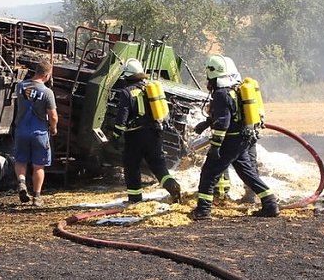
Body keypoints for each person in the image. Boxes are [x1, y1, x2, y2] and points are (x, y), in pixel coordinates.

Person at [191, 54, 279, 220]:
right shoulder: (236, 89)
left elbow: (223, 122)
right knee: (247, 172)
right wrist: (207, 123)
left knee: (209, 173)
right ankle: (270, 203)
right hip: (242, 139)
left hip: (230, 141)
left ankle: (203, 211)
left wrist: (216, 146)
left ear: (213, 73)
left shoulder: (221, 94)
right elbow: (230, 114)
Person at [112, 58, 182, 204]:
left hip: (135, 136)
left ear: (127, 76)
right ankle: (171, 185)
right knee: (158, 166)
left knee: (132, 166)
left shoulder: (126, 92)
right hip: (155, 134)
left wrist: (115, 135)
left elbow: (122, 117)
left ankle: (135, 199)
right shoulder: (149, 90)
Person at [13, 59, 58, 206]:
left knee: (21, 161)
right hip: (39, 133)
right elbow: (53, 116)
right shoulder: (47, 92)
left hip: (21, 131)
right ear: (47, 75)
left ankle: (21, 183)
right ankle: (37, 197)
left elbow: (26, 97)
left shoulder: (20, 86)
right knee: (39, 166)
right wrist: (53, 128)